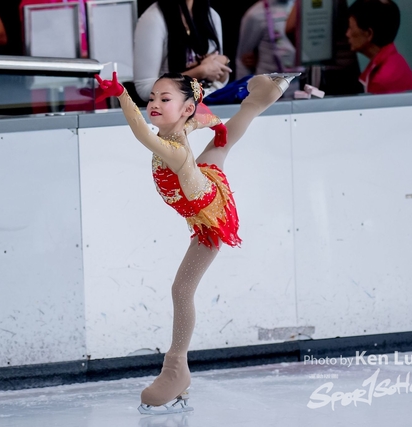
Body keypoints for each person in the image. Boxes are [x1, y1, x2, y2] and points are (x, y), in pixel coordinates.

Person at [95, 70, 297, 414]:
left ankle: (176, 368)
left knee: (181, 290)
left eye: (165, 99)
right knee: (222, 145)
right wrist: (217, 126)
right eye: (152, 97)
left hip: (210, 216)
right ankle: (268, 91)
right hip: (205, 180)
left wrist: (121, 94)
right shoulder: (182, 126)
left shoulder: (172, 149)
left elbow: (141, 131)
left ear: (185, 108)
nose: (154, 104)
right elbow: (201, 118)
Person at [133, 0, 232, 102]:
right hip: (171, 107)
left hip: (209, 103)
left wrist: (223, 64)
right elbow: (144, 88)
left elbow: (218, 82)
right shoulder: (153, 19)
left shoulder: (211, 15)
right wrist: (200, 71)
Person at [347, 0, 412, 94]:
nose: (347, 34)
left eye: (351, 28)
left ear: (369, 34)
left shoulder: (381, 81)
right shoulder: (395, 60)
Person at [235, 0, 296, 78]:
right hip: (268, 81)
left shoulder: (305, 8)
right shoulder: (256, 14)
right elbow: (243, 60)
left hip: (301, 81)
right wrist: (244, 85)